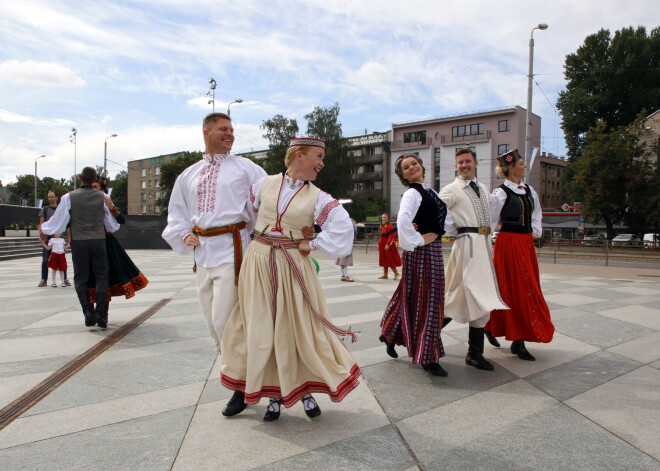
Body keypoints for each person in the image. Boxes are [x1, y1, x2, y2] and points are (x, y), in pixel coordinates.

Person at [220, 137, 359, 422]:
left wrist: (314, 242)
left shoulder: (319, 196)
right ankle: (263, 392)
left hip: (292, 261)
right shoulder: (263, 184)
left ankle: (303, 389)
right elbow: (248, 217)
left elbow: (344, 227)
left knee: (295, 326)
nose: (322, 163)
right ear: (298, 156)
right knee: (259, 325)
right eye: (318, 157)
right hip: (258, 261)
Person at [162, 112, 267, 353]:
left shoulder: (245, 167)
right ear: (206, 133)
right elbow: (176, 210)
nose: (230, 134)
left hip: (233, 250)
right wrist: (183, 233)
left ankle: (241, 378)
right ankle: (233, 372)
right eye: (223, 129)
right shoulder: (188, 174)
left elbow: (270, 197)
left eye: (231, 129)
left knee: (225, 321)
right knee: (211, 320)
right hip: (202, 254)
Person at [440, 148, 509, 371]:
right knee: (460, 294)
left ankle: (474, 353)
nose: (464, 165)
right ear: (456, 166)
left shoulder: (483, 189)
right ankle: (429, 334)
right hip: (466, 245)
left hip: (484, 245)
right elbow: (436, 209)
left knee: (481, 296)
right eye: (460, 162)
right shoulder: (451, 189)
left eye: (467, 161)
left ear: (476, 163)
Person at [379, 154, 448, 377]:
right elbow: (403, 220)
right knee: (428, 301)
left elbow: (444, 220)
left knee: (414, 297)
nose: (411, 168)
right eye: (406, 167)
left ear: (421, 166)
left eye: (414, 164)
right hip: (422, 252)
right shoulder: (412, 193)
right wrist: (418, 239)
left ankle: (391, 334)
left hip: (433, 249)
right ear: (403, 175)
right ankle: (428, 357)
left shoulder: (431, 192)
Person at [485, 149, 555, 361]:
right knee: (513, 289)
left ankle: (496, 328)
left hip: (525, 243)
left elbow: (536, 214)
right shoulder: (500, 194)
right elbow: (489, 222)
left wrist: (535, 231)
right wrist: (486, 247)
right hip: (508, 243)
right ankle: (518, 340)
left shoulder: (529, 190)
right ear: (510, 168)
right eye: (522, 163)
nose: (525, 166)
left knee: (527, 287)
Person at [40, 167, 119, 328]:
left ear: (80, 177)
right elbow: (111, 225)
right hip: (98, 240)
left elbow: (59, 223)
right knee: (102, 276)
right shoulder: (103, 196)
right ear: (94, 179)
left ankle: (87, 312)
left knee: (81, 277)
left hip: (79, 242)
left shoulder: (68, 197)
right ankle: (101, 312)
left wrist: (45, 228)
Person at [87, 177, 148, 323]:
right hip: (88, 242)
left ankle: (103, 314)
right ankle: (89, 312)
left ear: (102, 190)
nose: (92, 189)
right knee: (88, 277)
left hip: (107, 243)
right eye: (91, 187)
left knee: (106, 278)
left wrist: (111, 207)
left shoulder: (107, 202)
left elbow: (122, 220)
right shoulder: (84, 202)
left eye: (95, 187)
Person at [38, 191, 71, 287]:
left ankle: (64, 279)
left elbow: (67, 224)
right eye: (49, 197)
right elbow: (41, 222)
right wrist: (42, 236)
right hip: (48, 238)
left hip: (58, 237)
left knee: (61, 259)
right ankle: (44, 279)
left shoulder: (60, 210)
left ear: (56, 198)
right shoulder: (45, 209)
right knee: (45, 260)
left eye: (52, 197)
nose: (50, 199)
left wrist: (69, 235)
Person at [378, 213, 401, 279]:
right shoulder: (382, 226)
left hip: (388, 245)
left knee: (389, 259)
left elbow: (392, 236)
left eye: (385, 217)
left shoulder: (390, 226)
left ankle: (396, 273)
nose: (383, 218)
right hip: (382, 244)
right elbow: (382, 236)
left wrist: (388, 244)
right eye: (382, 217)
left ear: (388, 218)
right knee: (384, 259)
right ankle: (385, 275)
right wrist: (379, 243)